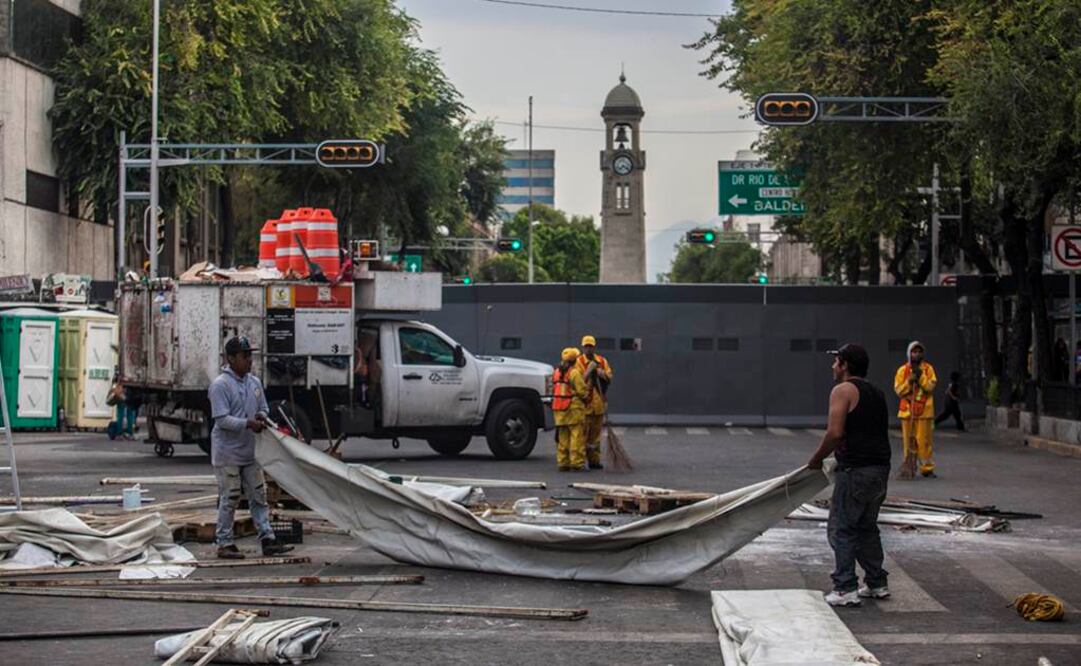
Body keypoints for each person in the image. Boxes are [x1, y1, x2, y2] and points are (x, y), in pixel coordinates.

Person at [807, 343, 891, 608]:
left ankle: (845, 588)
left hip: (855, 471)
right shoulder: (876, 392)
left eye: (836, 362)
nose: (832, 367)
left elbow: (835, 433)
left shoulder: (842, 390)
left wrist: (816, 459)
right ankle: (877, 583)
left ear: (844, 365)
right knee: (866, 528)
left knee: (841, 528)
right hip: (880, 470)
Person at [208, 336, 293, 559]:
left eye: (250, 355)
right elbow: (222, 420)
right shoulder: (220, 386)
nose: (249, 360)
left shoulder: (253, 383)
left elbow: (264, 407)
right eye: (244, 356)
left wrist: (261, 416)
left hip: (249, 451)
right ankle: (224, 542)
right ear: (231, 358)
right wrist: (248, 423)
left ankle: (267, 538)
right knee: (230, 496)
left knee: (258, 495)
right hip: (227, 453)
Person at [893, 340, 938, 478]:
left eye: (919, 352)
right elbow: (899, 390)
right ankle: (909, 466)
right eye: (914, 352)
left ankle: (927, 468)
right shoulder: (903, 370)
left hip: (924, 411)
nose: (916, 354)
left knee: (924, 442)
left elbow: (930, 387)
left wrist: (921, 376)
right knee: (908, 442)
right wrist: (909, 381)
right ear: (909, 354)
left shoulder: (928, 369)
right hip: (907, 411)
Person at [575, 335, 613, 470]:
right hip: (585, 405)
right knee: (582, 435)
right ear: (583, 347)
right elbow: (578, 381)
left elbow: (609, 376)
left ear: (594, 347)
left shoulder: (602, 361)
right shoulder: (578, 362)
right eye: (586, 346)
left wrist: (602, 373)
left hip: (599, 405)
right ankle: (579, 462)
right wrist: (589, 370)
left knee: (595, 438)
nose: (588, 349)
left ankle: (594, 461)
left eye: (590, 346)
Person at [552, 347, 589, 471]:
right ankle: (577, 463)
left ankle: (563, 463)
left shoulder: (556, 372)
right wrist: (586, 397)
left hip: (559, 408)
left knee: (563, 438)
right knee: (576, 436)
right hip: (573, 409)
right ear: (574, 360)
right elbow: (582, 390)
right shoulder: (574, 373)